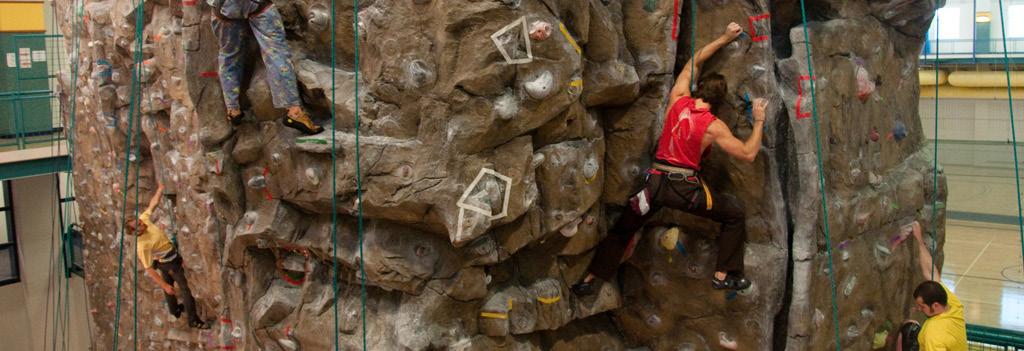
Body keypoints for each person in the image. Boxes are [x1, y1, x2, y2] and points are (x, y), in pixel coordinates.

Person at [573, 22, 764, 295]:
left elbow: (694, 61)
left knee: (622, 230)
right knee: (733, 215)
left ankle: (590, 280)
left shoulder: (678, 99)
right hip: (684, 190)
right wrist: (758, 122)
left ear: (699, 91)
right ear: (720, 101)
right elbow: (748, 154)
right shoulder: (713, 125)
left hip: (653, 187)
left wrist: (723, 37)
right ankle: (724, 275)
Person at [208, 0, 324, 135]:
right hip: (256, 5)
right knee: (276, 52)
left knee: (229, 55)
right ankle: (294, 111)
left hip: (222, 8)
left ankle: (233, 110)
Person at [125, 182, 209, 329]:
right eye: (138, 225)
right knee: (185, 290)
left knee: (169, 288)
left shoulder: (144, 221)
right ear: (134, 232)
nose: (142, 224)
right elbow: (149, 269)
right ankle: (193, 320)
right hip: (170, 263)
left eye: (139, 222)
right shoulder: (142, 246)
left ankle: (174, 310)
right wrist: (163, 285)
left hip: (165, 260)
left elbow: (152, 205)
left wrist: (160, 189)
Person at [908, 221, 967, 350]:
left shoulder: (934, 333)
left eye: (922, 306)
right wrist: (919, 240)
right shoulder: (954, 306)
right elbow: (931, 273)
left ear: (935, 305)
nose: (918, 309)